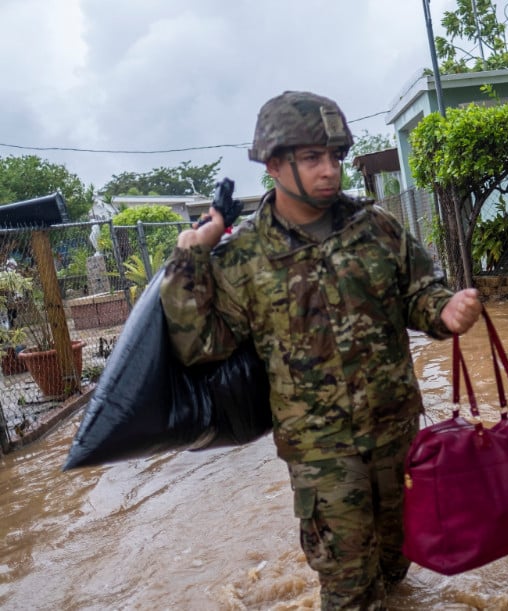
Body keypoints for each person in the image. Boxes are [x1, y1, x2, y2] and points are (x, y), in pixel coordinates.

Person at [159, 90, 482, 609]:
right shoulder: (243, 257)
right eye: (313, 158)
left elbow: (420, 291)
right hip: (320, 449)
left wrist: (444, 312)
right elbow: (201, 346)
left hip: (397, 429)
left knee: (398, 561)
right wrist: (190, 256)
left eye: (335, 156)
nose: (330, 170)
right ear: (274, 164)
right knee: (350, 588)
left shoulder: (376, 227)